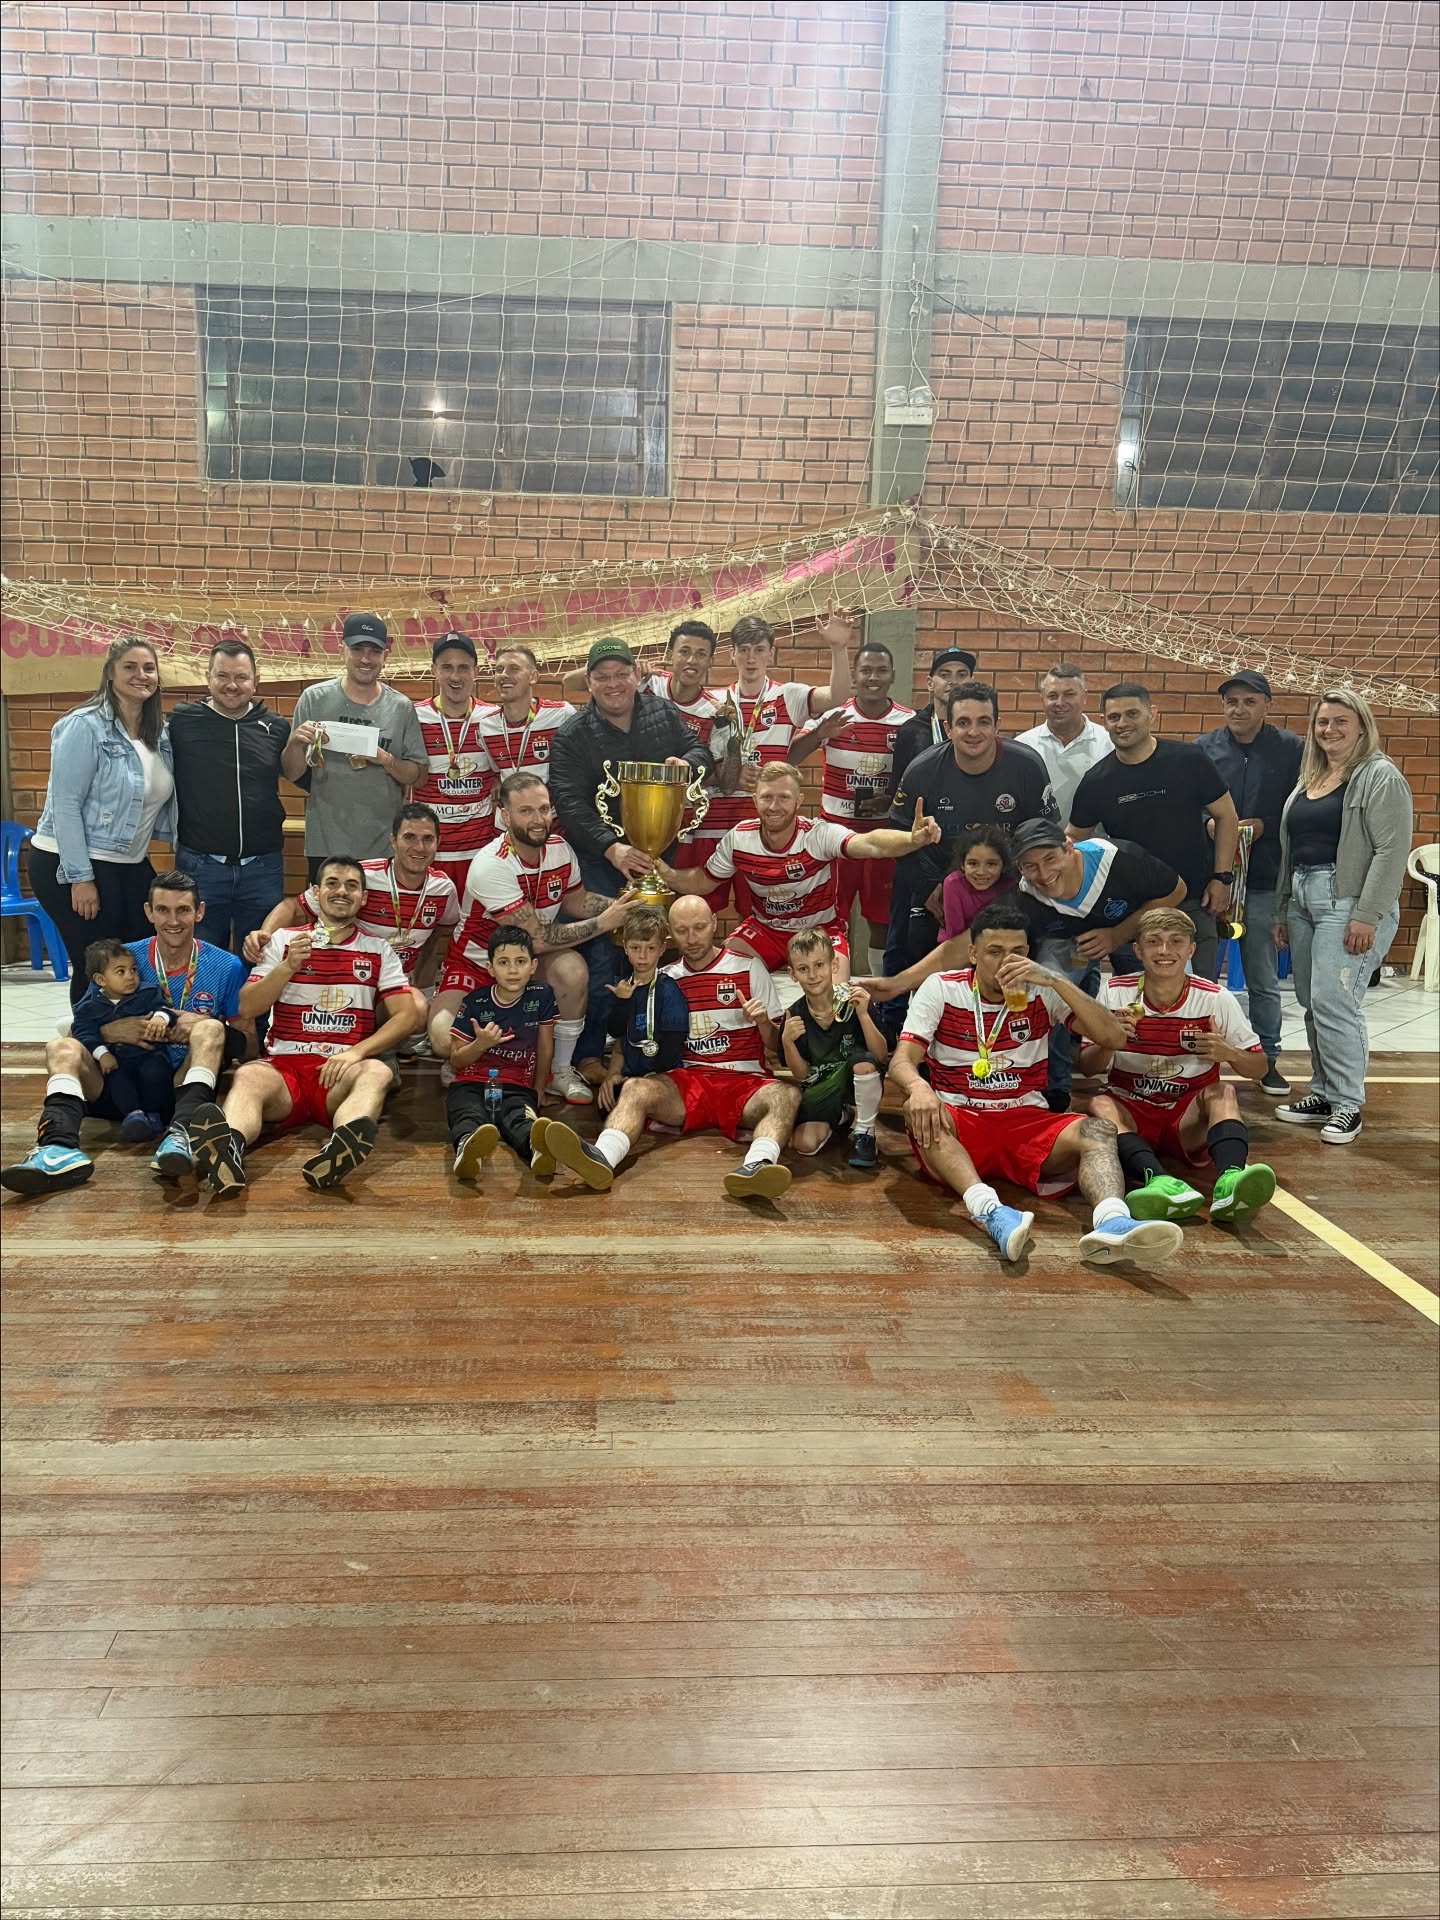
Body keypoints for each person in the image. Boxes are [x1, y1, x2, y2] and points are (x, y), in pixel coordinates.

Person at [889, 903, 1184, 1267]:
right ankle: (991, 1212)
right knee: (918, 1110)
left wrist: (1055, 979)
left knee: (1098, 1129)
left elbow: (1113, 1036)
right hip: (962, 1118)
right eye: (995, 952)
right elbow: (901, 1061)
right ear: (973, 954)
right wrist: (919, 1088)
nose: (1007, 962)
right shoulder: (941, 987)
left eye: (1017, 951)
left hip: (1025, 1119)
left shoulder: (1042, 989)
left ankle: (1113, 1221)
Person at [1, 869, 247, 1194]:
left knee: (212, 1028)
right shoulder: (121, 958)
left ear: (199, 912)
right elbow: (83, 1024)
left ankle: (183, 1134)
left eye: (183, 910)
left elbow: (245, 1046)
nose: (173, 920)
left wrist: (199, 1026)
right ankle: (56, 1147)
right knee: (60, 1046)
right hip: (118, 1084)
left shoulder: (226, 966)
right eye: (163, 910)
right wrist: (112, 1031)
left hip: (178, 1089)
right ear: (149, 912)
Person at [543, 893, 802, 1200]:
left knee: (787, 1095)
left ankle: (757, 1167)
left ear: (714, 924)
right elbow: (632, 1033)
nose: (691, 939)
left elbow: (775, 1046)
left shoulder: (749, 968)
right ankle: (601, 1158)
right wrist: (613, 1071)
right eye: (682, 930)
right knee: (635, 1088)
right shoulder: (665, 978)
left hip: (744, 1082)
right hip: (688, 1081)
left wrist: (762, 1022)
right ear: (670, 934)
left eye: (699, 928)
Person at [188, 856, 418, 1196]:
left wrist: (357, 1053)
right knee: (248, 1075)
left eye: (352, 886)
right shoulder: (283, 940)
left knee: (377, 1071)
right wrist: (287, 966)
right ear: (315, 892)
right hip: (286, 1068)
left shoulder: (378, 949)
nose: (342, 891)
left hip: (339, 1071)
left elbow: (407, 1015)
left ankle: (339, 1150)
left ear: (364, 898)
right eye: (332, 883)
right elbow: (246, 1007)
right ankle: (228, 1151)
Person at [546, 636, 715, 1077]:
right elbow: (568, 802)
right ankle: (587, 1054)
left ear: (637, 676)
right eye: (602, 677)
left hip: (659, 860)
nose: (613, 684)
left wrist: (689, 765)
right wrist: (612, 846)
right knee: (605, 955)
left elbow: (701, 752)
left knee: (659, 952)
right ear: (589, 682)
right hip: (600, 863)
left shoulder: (663, 713)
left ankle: (655, 1049)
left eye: (621, 674)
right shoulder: (572, 735)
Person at [429, 772, 632, 1104]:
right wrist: (604, 922)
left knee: (572, 970)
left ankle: (559, 1071)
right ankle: (471, 1062)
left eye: (543, 809)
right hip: (477, 964)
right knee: (441, 1039)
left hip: (529, 963)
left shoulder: (560, 849)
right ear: (505, 816)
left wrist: (627, 907)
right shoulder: (491, 864)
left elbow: (576, 901)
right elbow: (536, 938)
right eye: (526, 811)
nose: (538, 820)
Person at [1273, 688, 1414, 1145]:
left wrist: (1367, 914)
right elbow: (1291, 848)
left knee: (1336, 1002)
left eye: (1340, 721)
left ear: (1361, 726)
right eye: (1322, 722)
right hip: (1302, 898)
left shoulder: (1380, 775)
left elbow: (1391, 851)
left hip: (1347, 901)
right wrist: (1282, 908)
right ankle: (1323, 1092)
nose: (1329, 729)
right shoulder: (1310, 777)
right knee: (1313, 1002)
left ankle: (1348, 1103)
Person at [653, 763, 940, 981]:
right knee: (724, 974)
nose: (774, 806)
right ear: (754, 800)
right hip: (766, 930)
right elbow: (703, 881)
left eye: (784, 797)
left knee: (833, 1000)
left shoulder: (817, 835)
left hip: (820, 932)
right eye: (766, 797)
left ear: (799, 800)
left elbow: (871, 844)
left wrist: (911, 839)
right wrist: (665, 873)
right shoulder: (739, 838)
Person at [1081, 907, 1276, 1224]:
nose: (1164, 950)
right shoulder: (1114, 991)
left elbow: (1260, 1068)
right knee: (1099, 1103)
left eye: (1175, 941)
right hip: (1133, 1111)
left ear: (1191, 950)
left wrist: (1230, 1053)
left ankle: (1230, 1180)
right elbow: (1088, 1067)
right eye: (1154, 941)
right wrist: (1109, 1040)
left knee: (1223, 1091)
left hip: (1187, 1118)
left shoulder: (1215, 998)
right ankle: (1157, 1180)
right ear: (1138, 950)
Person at [27, 636, 178, 1004]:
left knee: (138, 958)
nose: (141, 675)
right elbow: (65, 805)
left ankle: (127, 1034)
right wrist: (80, 878)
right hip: (70, 861)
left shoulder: (158, 732)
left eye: (149, 668)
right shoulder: (84, 725)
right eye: (130, 667)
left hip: (129, 861)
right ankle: (86, 1036)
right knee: (98, 964)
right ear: (110, 674)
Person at [1069, 682, 1239, 980]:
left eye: (1132, 714)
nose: (1122, 723)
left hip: (1194, 901)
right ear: (1104, 722)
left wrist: (1222, 878)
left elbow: (1227, 816)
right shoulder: (1096, 782)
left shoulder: (1189, 760)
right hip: (1132, 911)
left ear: (1152, 714)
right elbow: (1072, 840)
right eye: (1114, 717)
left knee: (1199, 994)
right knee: (1135, 999)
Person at [887, 681, 1057, 967]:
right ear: (948, 728)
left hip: (1010, 887)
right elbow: (898, 833)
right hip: (939, 885)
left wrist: (1020, 891)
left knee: (1013, 965)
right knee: (915, 949)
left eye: (984, 722)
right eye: (963, 723)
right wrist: (927, 888)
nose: (974, 732)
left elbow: (1044, 837)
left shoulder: (1027, 766)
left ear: (997, 725)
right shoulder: (922, 771)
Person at [696, 610, 859, 906]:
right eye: (744, 650)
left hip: (762, 831)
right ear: (732, 654)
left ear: (770, 654)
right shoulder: (713, 702)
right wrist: (722, 776)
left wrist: (838, 648)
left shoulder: (787, 696)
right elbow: (697, 767)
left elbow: (837, 696)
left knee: (758, 912)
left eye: (759, 650)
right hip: (713, 824)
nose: (751, 658)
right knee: (703, 910)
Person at [244, 805, 459, 1026]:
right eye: (410, 837)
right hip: (350, 975)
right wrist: (264, 934)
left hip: (393, 983)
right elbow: (293, 907)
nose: (419, 847)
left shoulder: (444, 889)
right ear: (394, 841)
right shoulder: (362, 876)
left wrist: (425, 988)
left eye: (427, 839)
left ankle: (388, 1043)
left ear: (438, 843)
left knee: (418, 1008)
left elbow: (437, 936)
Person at [1195, 671, 1305, 1094]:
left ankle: (1268, 1058)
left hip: (1263, 879)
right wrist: (1207, 824)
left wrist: (1265, 826)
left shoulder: (1291, 749)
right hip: (1212, 880)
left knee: (1261, 977)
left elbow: (1303, 806)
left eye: (1249, 701)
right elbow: (1187, 803)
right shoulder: (1204, 748)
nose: (1238, 709)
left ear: (1267, 705)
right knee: (1203, 977)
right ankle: (1198, 1060)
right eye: (1231, 701)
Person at [788, 638, 915, 970]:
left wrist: (891, 800)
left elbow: (917, 781)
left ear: (893, 675)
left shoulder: (908, 722)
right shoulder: (833, 715)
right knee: (828, 921)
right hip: (834, 836)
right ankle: (827, 990)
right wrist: (819, 734)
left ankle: (880, 990)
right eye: (866, 670)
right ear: (855, 676)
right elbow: (789, 758)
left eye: (881, 671)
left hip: (884, 837)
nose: (873, 678)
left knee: (882, 921)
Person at [167, 639, 291, 954]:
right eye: (222, 676)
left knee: (261, 960)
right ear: (208, 678)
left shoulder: (276, 727)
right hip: (201, 866)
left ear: (256, 681)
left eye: (241, 677)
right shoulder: (181, 721)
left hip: (262, 867)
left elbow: (301, 774)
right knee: (203, 961)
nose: (232, 685)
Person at [281, 613, 427, 874]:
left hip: (383, 846)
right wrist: (294, 743)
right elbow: (292, 773)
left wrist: (385, 759)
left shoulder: (400, 707)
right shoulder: (314, 699)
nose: (366, 659)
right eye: (357, 649)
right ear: (342, 651)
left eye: (374, 651)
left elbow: (419, 775)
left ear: (385, 656)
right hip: (326, 844)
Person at [440, 924, 556, 1183]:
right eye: (503, 962)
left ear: (533, 966)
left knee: (522, 1119)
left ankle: (539, 1151)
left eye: (520, 961)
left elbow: (545, 1046)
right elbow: (456, 1060)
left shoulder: (542, 995)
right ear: (490, 968)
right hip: (471, 1083)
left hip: (517, 1086)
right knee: (467, 1114)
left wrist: (539, 1089)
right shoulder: (474, 1002)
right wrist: (480, 1044)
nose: (513, 970)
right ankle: (468, 1149)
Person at [780, 929, 887, 1168]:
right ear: (792, 974)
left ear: (834, 965)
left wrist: (863, 1015)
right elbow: (801, 1074)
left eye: (819, 965)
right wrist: (788, 1042)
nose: (813, 975)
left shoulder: (855, 1000)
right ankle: (842, 1116)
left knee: (863, 1062)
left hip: (855, 1078)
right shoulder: (793, 1015)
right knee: (805, 1145)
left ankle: (865, 1132)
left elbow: (881, 1055)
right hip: (822, 1087)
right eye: (803, 968)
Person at [69, 938, 181, 1140]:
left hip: (149, 1054)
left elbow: (166, 1010)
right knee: (117, 1079)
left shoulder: (147, 992)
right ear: (100, 979)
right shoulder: (88, 1006)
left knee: (155, 1072)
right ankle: (133, 1116)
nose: (130, 977)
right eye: (120, 972)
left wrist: (160, 1018)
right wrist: (102, 1054)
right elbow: (83, 1033)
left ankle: (154, 1114)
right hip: (116, 1058)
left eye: (133, 970)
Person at [412, 631, 497, 896]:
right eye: (447, 667)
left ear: (476, 671)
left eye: (463, 668)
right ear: (434, 670)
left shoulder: (493, 718)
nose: (455, 677)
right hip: (429, 852)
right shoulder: (413, 716)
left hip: (481, 852)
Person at [596, 902, 692, 1113]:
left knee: (633, 1101)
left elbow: (673, 1044)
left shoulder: (668, 989)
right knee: (605, 1103)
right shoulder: (623, 988)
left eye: (650, 948)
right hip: (631, 1076)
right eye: (635, 948)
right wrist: (613, 1074)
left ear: (662, 949)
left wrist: (651, 1077)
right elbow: (617, 1033)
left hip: (665, 1075)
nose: (642, 956)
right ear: (625, 947)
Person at [475, 644, 576, 812]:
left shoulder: (562, 714)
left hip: (552, 820)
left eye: (514, 669)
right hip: (508, 822)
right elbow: (497, 774)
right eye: (499, 669)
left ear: (533, 677)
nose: (504, 675)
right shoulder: (487, 726)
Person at [1015, 663, 1112, 825]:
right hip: (1040, 840)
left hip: (1096, 840)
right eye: (1052, 696)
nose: (1060, 702)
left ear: (1085, 697)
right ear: (1042, 699)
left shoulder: (1109, 743)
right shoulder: (1023, 746)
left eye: (1069, 695)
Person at [887, 648, 979, 800]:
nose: (954, 681)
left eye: (962, 675)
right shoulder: (912, 730)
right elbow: (898, 790)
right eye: (944, 675)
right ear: (930, 683)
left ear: (971, 682)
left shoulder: (979, 730)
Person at [940, 826, 1018, 947]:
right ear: (962, 865)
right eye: (973, 863)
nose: (981, 872)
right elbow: (955, 937)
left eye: (991, 864)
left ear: (1003, 865)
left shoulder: (1012, 884)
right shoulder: (953, 884)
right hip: (960, 947)